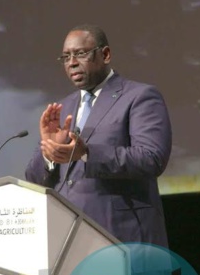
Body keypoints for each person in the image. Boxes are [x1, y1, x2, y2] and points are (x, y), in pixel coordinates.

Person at [25, 24, 172, 248]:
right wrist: (49, 152)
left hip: (123, 238)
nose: (72, 62)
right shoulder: (64, 107)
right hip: (68, 242)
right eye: (66, 57)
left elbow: (151, 158)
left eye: (80, 53)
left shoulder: (139, 96)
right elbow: (34, 180)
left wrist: (86, 153)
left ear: (105, 54)